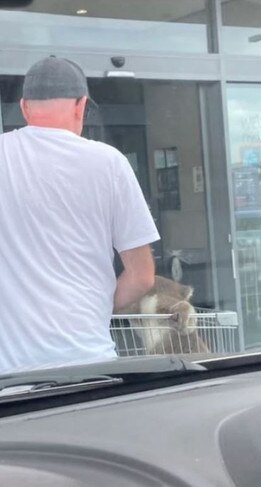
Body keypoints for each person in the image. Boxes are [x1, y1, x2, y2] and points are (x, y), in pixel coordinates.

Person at [0, 56, 160, 373]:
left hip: (11, 375)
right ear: (80, 106)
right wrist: (94, 309)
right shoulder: (110, 163)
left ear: (24, 107)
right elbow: (142, 277)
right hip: (91, 363)